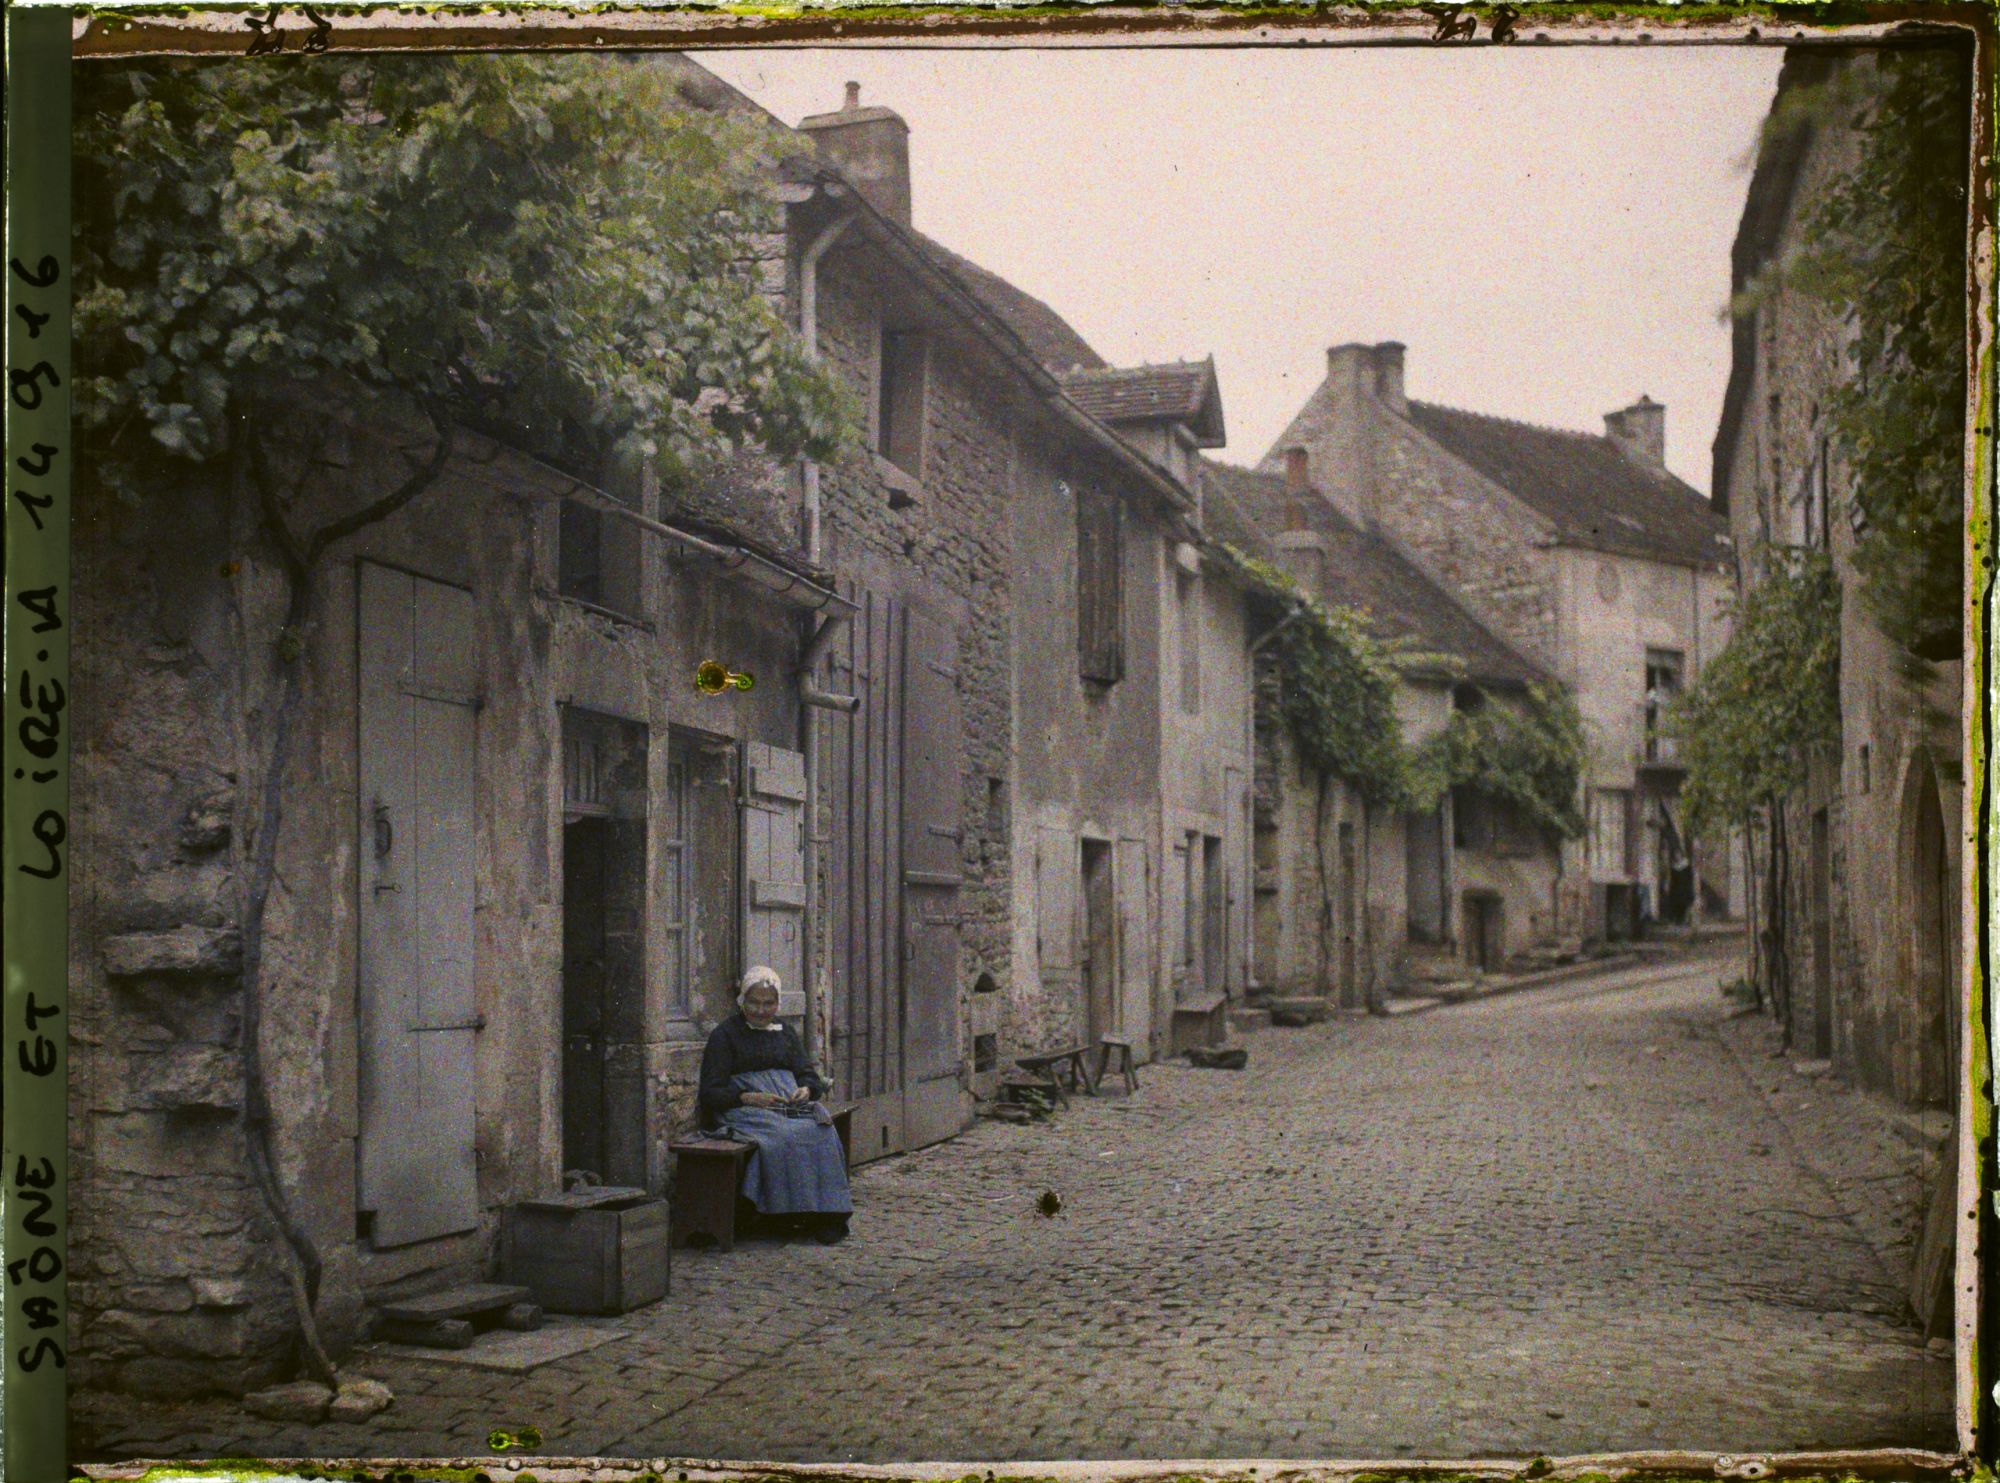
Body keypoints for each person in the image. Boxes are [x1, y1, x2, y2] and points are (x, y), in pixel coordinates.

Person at [698, 965, 852, 1244]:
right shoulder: (725, 1035)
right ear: (742, 1000)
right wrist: (746, 1097)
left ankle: (827, 1215)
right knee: (785, 1137)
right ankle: (780, 1215)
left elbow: (807, 1073)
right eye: (754, 1002)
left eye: (768, 1003)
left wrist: (806, 1089)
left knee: (823, 1130)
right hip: (742, 1111)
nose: (760, 1010)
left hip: (786, 1106)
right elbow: (711, 1091)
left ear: (777, 1004)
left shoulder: (785, 1033)